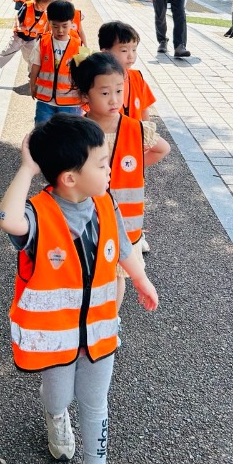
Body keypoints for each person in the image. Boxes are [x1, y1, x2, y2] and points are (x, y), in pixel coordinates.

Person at [0, 114, 158, 464]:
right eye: (102, 164)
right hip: (57, 339)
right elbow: (7, 218)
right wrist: (27, 168)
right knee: (60, 397)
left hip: (100, 329)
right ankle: (55, 415)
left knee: (95, 401)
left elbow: (126, 245)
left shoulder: (105, 203)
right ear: (69, 178)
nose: (110, 170)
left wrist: (142, 279)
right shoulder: (39, 214)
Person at [70, 52, 170, 309]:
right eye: (105, 93)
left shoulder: (136, 128)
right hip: (86, 219)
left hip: (125, 224)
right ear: (85, 97)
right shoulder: (77, 133)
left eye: (118, 90)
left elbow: (162, 149)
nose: (114, 99)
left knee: (117, 275)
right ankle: (85, 320)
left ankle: (110, 323)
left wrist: (136, 167)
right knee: (87, 271)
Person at [29, 0, 83, 124]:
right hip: (45, 100)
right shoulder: (43, 43)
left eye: (65, 26)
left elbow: (83, 72)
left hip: (70, 102)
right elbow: (35, 66)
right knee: (43, 131)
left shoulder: (78, 45)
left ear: (72, 22)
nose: (60, 31)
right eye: (55, 26)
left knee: (69, 135)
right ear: (49, 23)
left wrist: (85, 93)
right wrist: (32, 84)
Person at [98, 21, 156, 121]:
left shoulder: (137, 78)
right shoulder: (99, 80)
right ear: (105, 52)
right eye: (124, 50)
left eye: (134, 50)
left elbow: (144, 109)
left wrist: (146, 132)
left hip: (135, 134)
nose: (131, 55)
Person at [0, 0, 51, 80]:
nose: (43, 9)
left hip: (32, 38)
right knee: (9, 51)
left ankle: (32, 73)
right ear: (36, 1)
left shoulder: (45, 13)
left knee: (32, 56)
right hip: (19, 36)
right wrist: (18, 26)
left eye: (45, 7)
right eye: (42, 6)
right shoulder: (28, 6)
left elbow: (45, 27)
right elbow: (18, 16)